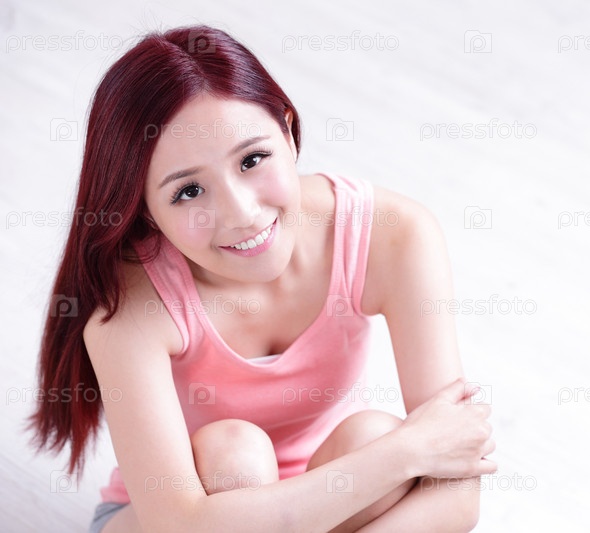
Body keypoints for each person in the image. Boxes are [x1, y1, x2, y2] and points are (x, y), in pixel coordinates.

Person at [26, 24, 496, 532]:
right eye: (188, 192)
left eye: (252, 159)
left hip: (335, 499)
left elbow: (457, 491)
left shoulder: (393, 233)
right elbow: (178, 522)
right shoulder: (130, 304)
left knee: (371, 435)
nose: (242, 214)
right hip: (180, 520)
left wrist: (400, 450)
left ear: (288, 131)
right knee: (237, 456)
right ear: (144, 210)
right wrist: (407, 451)